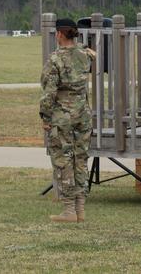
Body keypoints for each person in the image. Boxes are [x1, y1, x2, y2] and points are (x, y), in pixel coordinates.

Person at [40, 18, 94, 222]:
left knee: (63, 160)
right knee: (81, 159)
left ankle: (69, 210)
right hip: (83, 114)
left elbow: (49, 93)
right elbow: (84, 52)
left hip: (62, 116)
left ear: (59, 34)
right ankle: (80, 209)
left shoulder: (55, 59)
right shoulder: (85, 55)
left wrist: (45, 116)